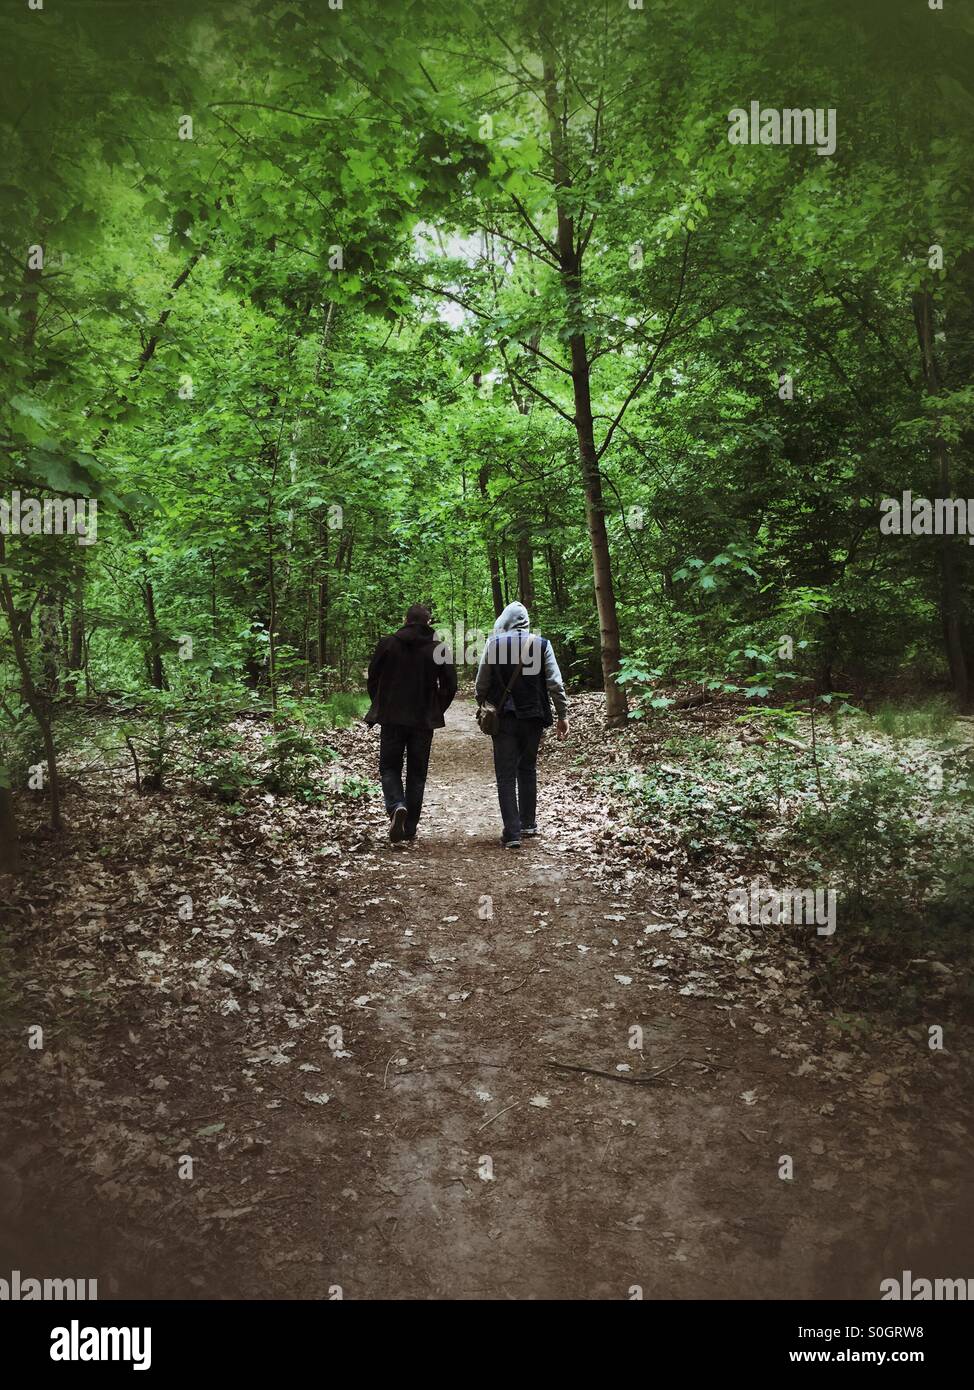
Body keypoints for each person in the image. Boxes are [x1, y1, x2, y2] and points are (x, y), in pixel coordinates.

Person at [475, 601, 569, 849]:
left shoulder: (493, 644)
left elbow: (481, 682)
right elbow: (555, 683)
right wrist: (563, 714)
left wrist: (482, 703)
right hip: (533, 717)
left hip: (504, 717)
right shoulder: (542, 644)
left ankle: (512, 832)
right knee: (527, 768)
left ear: (505, 620)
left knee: (505, 774)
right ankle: (528, 823)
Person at [365, 603, 457, 843]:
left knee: (389, 767)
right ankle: (409, 827)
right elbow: (450, 685)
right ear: (428, 622)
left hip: (392, 717)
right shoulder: (439, 648)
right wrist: (436, 708)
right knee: (417, 774)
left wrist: (380, 703)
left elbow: (373, 678)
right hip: (423, 720)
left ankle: (397, 805)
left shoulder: (387, 643)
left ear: (406, 620)